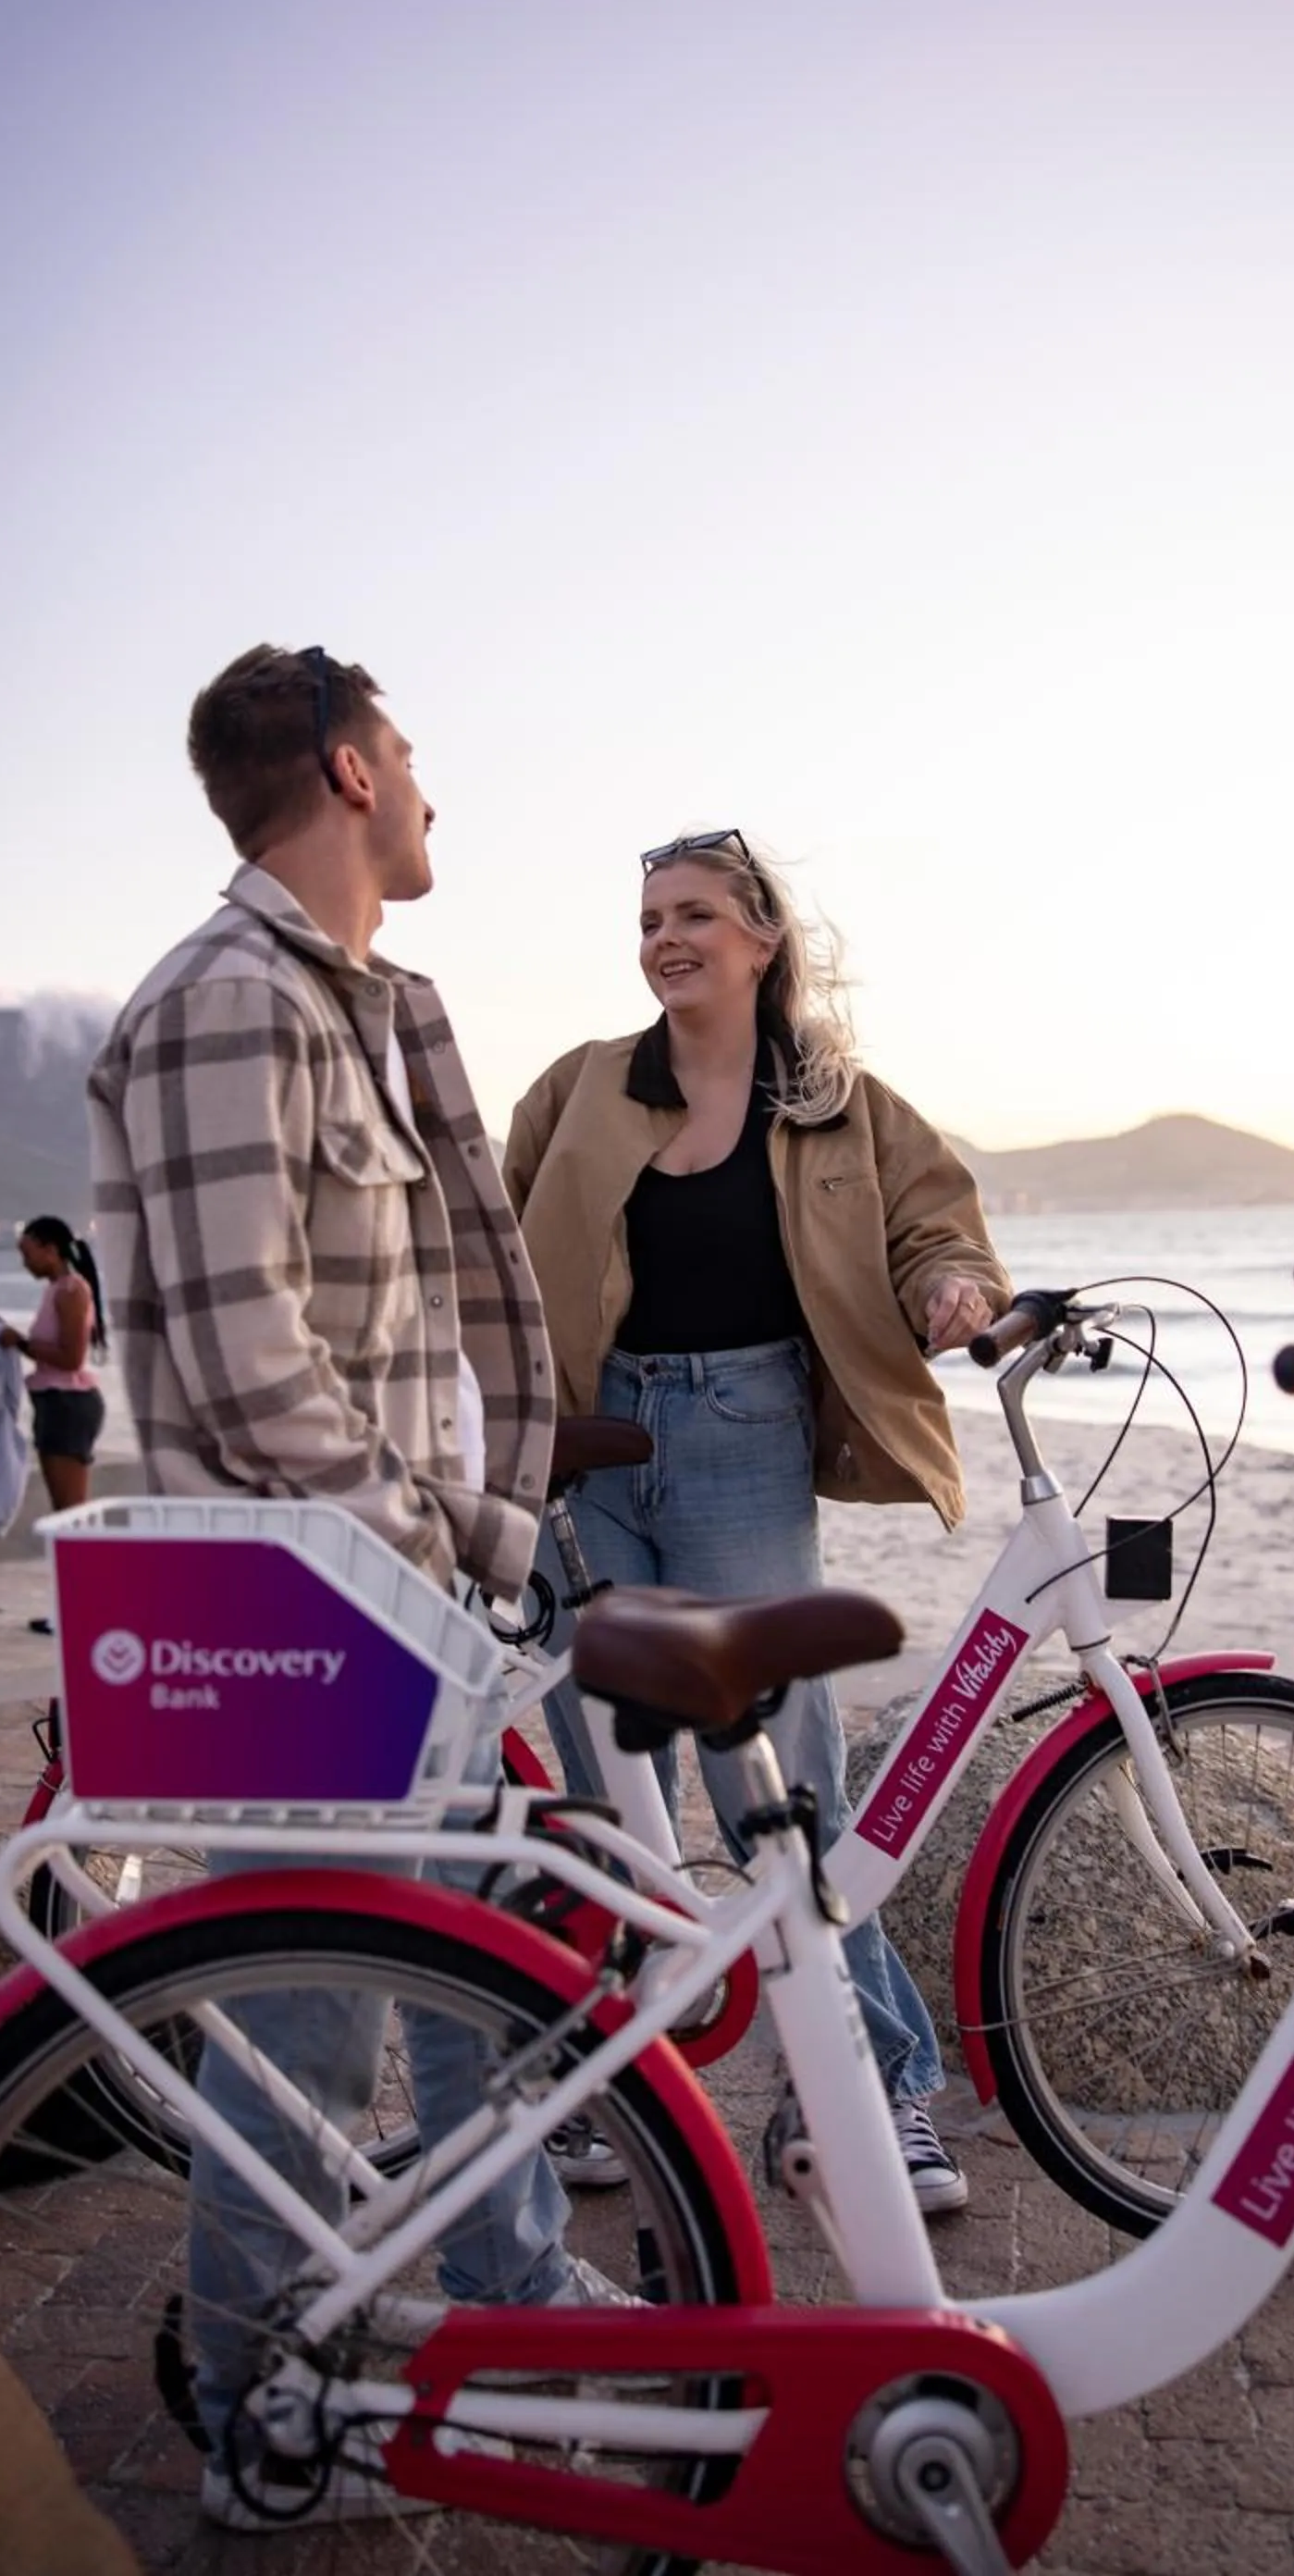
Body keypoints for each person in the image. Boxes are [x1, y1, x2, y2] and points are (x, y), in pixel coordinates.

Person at [88, 643, 608, 2529]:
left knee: (482, 1986)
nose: (435, 789)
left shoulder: (360, 1003)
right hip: (315, 1611)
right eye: (412, 752)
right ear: (345, 768)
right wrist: (457, 1537)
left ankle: (520, 2313)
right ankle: (261, 2419)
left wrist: (479, 1537)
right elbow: (247, 1371)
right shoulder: (228, 1006)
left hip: (406, 1600)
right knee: (306, 2029)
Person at [504, 827, 1010, 2217]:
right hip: (586, 1456)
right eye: (652, 917)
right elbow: (494, 1256)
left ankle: (872, 2081)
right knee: (612, 1801)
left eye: (697, 916)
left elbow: (938, 1230)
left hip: (748, 1443)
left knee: (781, 1787)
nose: (668, 938)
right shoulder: (580, 1088)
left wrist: (953, 1292)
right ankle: (601, 2091)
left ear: (763, 936)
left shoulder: (844, 1101)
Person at [0, 1215, 108, 1512]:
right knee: (66, 1507)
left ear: (51, 1250)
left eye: (27, 1254)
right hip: (56, 1402)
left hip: (66, 1403)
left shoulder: (70, 1291)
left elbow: (71, 1358)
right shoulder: (58, 1289)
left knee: (70, 1510)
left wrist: (19, 1342)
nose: (24, 1263)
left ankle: (81, 1559)